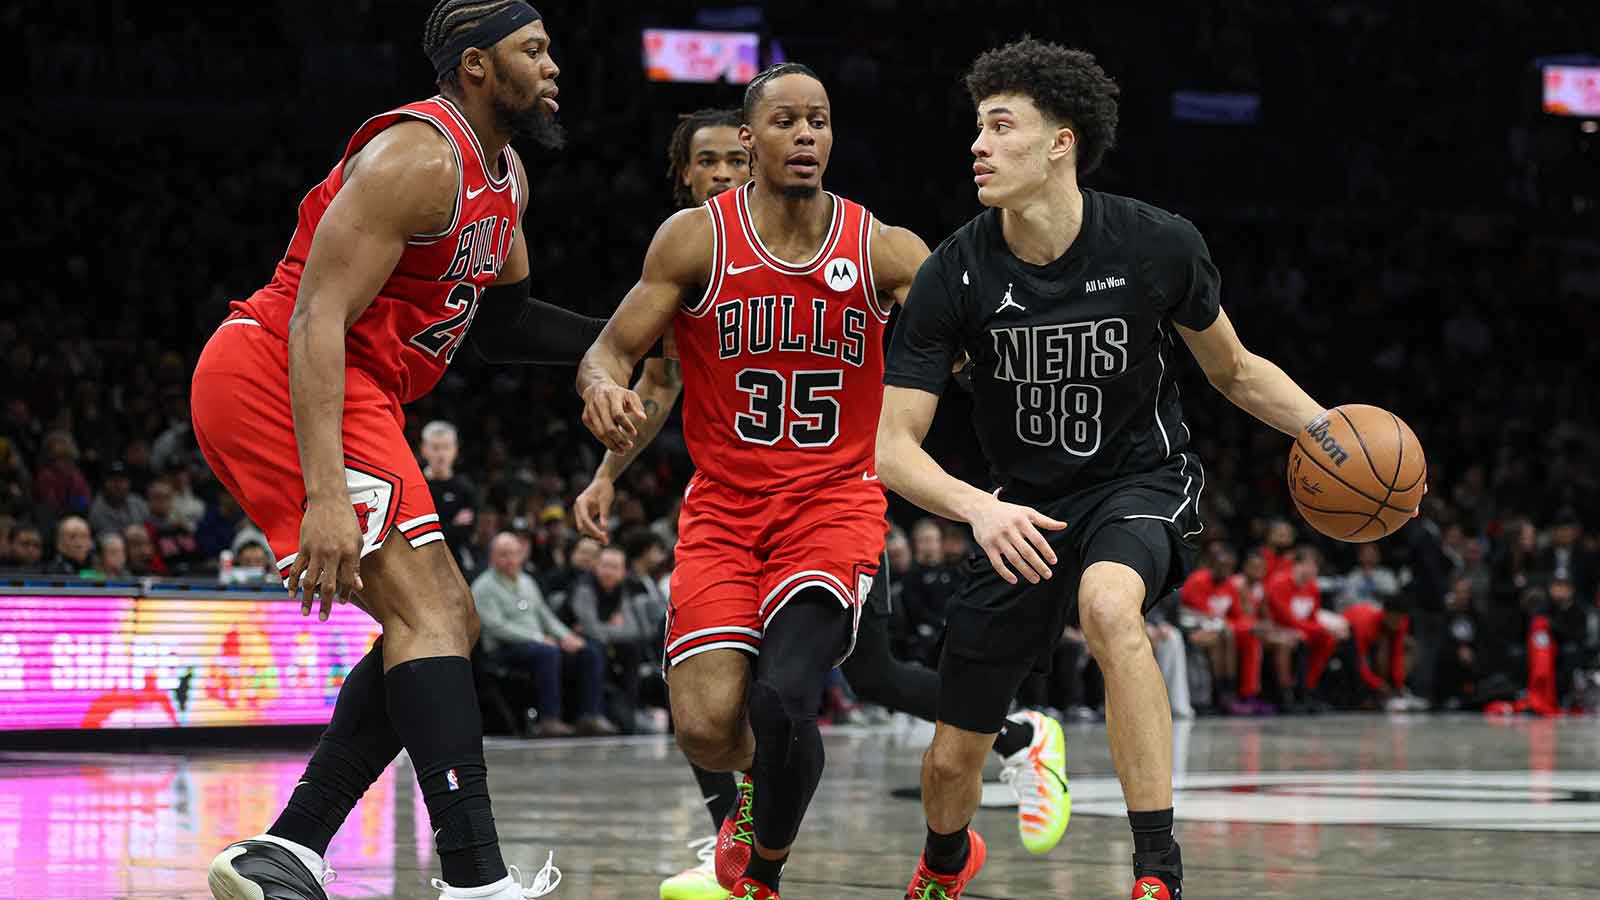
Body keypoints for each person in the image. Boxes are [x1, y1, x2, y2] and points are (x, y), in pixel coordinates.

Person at [874, 38, 1399, 899]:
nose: (978, 145)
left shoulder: (1157, 244)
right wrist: (981, 509)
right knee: (950, 762)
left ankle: (1157, 872)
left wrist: (1324, 430)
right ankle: (943, 862)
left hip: (1140, 482)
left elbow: (1231, 369)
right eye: (976, 127)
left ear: (1060, 142)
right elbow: (892, 447)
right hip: (1020, 511)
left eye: (1001, 127)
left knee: (1109, 604)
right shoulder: (952, 273)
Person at [577, 77, 1062, 898]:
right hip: (725, 510)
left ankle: (760, 871)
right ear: (751, 137)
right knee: (704, 726)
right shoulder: (694, 242)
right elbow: (612, 353)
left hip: (832, 502)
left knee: (785, 699)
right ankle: (763, 803)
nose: (806, 135)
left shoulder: (883, 247)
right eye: (786, 121)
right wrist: (600, 391)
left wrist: (980, 356)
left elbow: (978, 334)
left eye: (820, 122)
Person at [190, 2, 600, 897]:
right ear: (478, 66)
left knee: (449, 620)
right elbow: (313, 317)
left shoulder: (508, 176)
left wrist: (625, 341)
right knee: (433, 617)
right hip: (277, 368)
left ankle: (290, 848)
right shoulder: (419, 156)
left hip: (355, 390)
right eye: (533, 49)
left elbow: (506, 324)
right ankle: (474, 879)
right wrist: (327, 495)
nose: (553, 65)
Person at [471, 532, 611, 737]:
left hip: (538, 644)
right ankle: (549, 719)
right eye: (503, 554)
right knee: (548, 652)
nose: (510, 559)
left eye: (513, 553)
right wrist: (538, 638)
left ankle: (589, 716)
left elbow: (545, 616)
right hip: (504, 649)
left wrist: (566, 636)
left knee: (588, 651)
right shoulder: (483, 587)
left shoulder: (527, 581)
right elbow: (496, 627)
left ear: (521, 555)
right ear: (492, 557)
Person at [1265, 546, 1347, 712]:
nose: (1313, 569)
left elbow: (1312, 617)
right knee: (1298, 638)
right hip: (1275, 628)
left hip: (1302, 629)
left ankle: (1308, 688)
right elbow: (1287, 619)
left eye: (1315, 565)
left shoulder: (1312, 587)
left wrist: (1325, 630)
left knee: (1329, 640)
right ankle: (1286, 694)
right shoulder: (1278, 584)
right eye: (1309, 564)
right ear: (1296, 565)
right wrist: (1322, 629)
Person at [421, 420, 481, 570]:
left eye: (446, 447)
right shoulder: (414, 485)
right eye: (435, 447)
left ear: (455, 450)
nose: (441, 454)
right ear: (424, 450)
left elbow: (467, 533)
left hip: (455, 564)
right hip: (421, 562)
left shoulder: (465, 488)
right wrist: (453, 525)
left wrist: (440, 528)